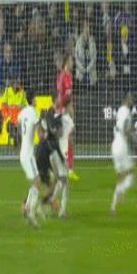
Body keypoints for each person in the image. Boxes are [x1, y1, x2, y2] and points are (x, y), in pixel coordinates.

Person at [35, 107, 68, 218]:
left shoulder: (45, 126)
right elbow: (53, 145)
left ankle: (46, 202)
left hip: (43, 156)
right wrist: (62, 159)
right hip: (43, 157)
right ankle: (39, 205)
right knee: (49, 184)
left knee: (49, 183)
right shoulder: (48, 128)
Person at [18, 90, 41, 226]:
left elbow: (18, 125)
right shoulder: (33, 112)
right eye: (35, 98)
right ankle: (31, 213)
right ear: (32, 99)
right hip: (29, 154)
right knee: (37, 183)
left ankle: (27, 208)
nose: (36, 100)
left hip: (23, 152)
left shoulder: (23, 112)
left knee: (35, 182)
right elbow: (39, 131)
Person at [110, 93, 135, 215]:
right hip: (122, 145)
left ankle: (113, 207)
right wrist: (133, 135)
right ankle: (121, 192)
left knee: (120, 176)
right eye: (131, 99)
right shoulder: (127, 112)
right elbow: (125, 128)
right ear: (127, 100)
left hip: (114, 145)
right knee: (130, 174)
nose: (132, 101)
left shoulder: (120, 110)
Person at [57, 54, 79, 182]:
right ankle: (60, 169)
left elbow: (69, 96)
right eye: (71, 60)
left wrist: (71, 110)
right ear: (66, 62)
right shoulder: (62, 77)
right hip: (62, 112)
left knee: (70, 140)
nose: (73, 63)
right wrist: (63, 112)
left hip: (66, 111)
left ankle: (69, 170)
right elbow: (61, 96)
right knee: (64, 141)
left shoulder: (69, 76)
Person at [1, 70, 27, 148]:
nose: (19, 84)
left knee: (19, 127)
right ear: (13, 83)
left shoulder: (22, 92)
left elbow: (26, 105)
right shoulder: (7, 91)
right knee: (11, 127)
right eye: (17, 83)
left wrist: (20, 107)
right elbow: (3, 105)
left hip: (20, 119)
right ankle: (16, 138)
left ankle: (18, 140)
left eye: (19, 83)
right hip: (10, 119)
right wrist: (7, 117)